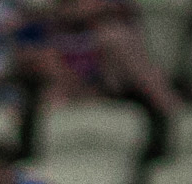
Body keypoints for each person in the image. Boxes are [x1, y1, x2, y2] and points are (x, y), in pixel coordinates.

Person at [16, 0, 180, 165]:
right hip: (66, 98)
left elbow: (151, 86)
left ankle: (176, 136)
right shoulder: (42, 34)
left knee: (117, 43)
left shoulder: (115, 35)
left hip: (112, 94)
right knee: (49, 93)